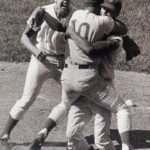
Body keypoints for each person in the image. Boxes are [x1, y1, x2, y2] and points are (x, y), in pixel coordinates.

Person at [29, 0, 133, 150]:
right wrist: (126, 39)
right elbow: (97, 43)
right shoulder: (105, 24)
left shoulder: (77, 15)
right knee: (115, 115)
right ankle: (126, 146)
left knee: (77, 131)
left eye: (109, 11)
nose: (105, 12)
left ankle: (43, 133)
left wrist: (68, 31)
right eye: (104, 9)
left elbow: (61, 27)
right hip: (93, 83)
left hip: (74, 77)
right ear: (99, 6)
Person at [0, 0, 71, 141]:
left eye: (67, 0)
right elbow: (24, 38)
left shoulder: (74, 16)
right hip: (41, 61)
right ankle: (5, 134)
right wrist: (36, 51)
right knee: (27, 99)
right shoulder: (42, 11)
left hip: (62, 63)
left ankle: (46, 132)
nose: (64, 2)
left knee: (71, 99)